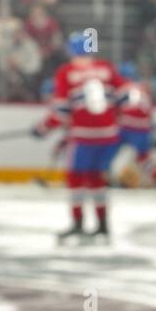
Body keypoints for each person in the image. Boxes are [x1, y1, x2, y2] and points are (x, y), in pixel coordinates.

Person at [33, 31, 123, 244]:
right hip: (109, 135)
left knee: (75, 179)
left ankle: (78, 223)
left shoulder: (66, 72)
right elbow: (122, 96)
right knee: (96, 178)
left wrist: (42, 129)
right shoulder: (106, 68)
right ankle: (103, 225)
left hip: (84, 136)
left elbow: (62, 111)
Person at [113, 62, 156, 191]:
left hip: (125, 125)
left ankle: (110, 178)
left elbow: (114, 109)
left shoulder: (121, 87)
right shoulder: (143, 89)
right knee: (143, 156)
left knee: (108, 151)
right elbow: (149, 112)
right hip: (143, 128)